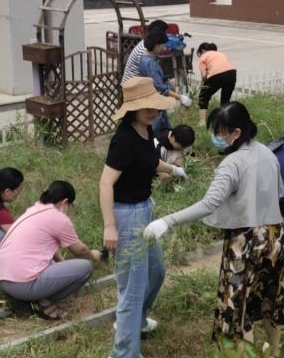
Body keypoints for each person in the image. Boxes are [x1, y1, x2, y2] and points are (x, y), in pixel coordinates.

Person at [144, 102, 284, 355]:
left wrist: (167, 221)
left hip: (245, 242)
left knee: (238, 308)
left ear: (236, 133)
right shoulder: (267, 153)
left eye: (220, 132)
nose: (215, 137)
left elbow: (209, 203)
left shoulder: (232, 163)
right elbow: (280, 192)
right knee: (271, 299)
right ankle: (276, 351)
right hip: (276, 237)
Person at [99, 77, 188, 358]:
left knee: (156, 271)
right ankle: (124, 352)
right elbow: (105, 183)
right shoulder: (124, 140)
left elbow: (149, 160)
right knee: (132, 289)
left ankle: (135, 322)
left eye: (155, 107)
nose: (153, 112)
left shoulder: (146, 130)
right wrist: (110, 226)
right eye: (146, 107)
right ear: (132, 109)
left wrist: (173, 170)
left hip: (145, 209)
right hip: (127, 216)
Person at [0, 181, 103, 320]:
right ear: (65, 202)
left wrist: (62, 263)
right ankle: (38, 302)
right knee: (85, 267)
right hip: (21, 285)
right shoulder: (58, 218)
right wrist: (93, 255)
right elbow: (80, 250)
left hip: (0, 277)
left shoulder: (35, 209)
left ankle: (27, 298)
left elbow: (48, 246)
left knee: (53, 264)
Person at [138, 31, 192, 133]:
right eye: (163, 45)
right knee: (154, 130)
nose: (165, 48)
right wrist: (180, 97)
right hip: (154, 104)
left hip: (154, 102)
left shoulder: (144, 58)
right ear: (156, 45)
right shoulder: (150, 63)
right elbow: (159, 87)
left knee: (165, 129)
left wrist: (168, 83)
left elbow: (156, 80)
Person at [196, 43, 237, 126]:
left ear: (202, 51)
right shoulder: (220, 54)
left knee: (203, 97)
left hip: (217, 75)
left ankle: (202, 122)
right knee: (225, 99)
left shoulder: (203, 57)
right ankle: (225, 121)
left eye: (199, 54)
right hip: (231, 73)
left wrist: (204, 84)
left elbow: (204, 75)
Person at [121, 20, 170, 85]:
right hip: (132, 86)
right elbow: (156, 82)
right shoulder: (145, 51)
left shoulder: (147, 44)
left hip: (136, 82)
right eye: (164, 34)